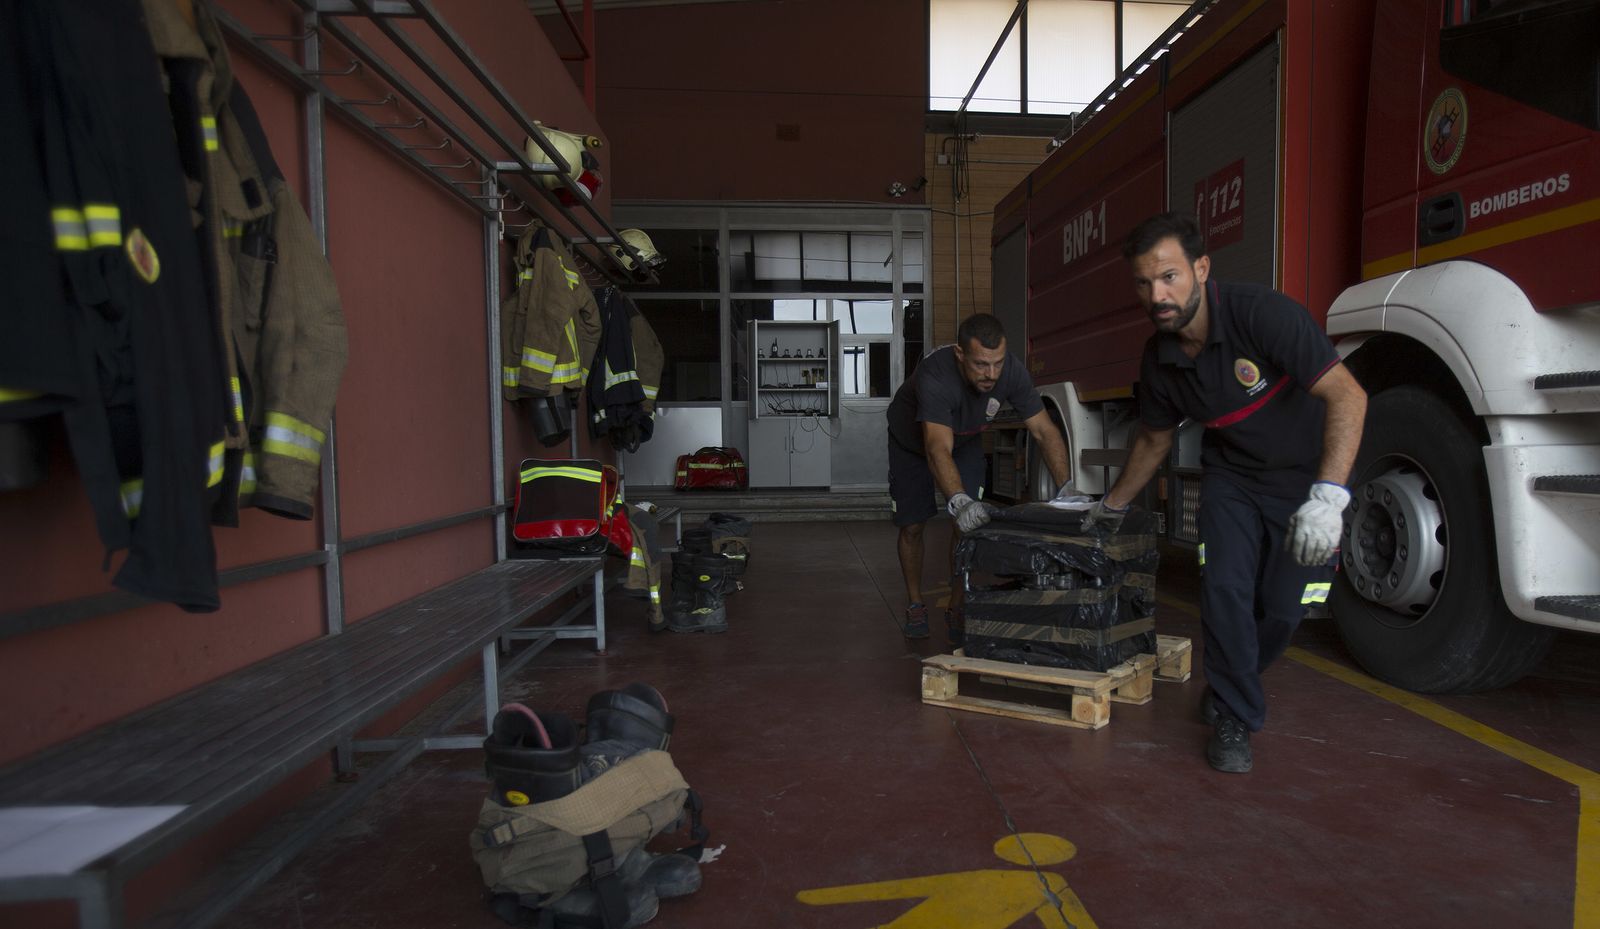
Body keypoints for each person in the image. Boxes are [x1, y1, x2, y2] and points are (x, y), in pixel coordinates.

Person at [1084, 212, 1367, 773]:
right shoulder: (1159, 357)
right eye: (1144, 283)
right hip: (1231, 478)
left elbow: (1348, 396)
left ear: (1201, 269)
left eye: (1169, 277)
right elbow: (1155, 440)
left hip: (1304, 480)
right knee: (1225, 589)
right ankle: (1236, 715)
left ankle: (1234, 680)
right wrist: (1111, 506)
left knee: (1283, 609)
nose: (1157, 296)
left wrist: (1330, 496)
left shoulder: (1263, 315)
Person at [886, 313, 1072, 643]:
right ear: (960, 354)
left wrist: (1067, 489)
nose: (991, 374)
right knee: (913, 526)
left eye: (997, 363)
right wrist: (958, 500)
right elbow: (936, 448)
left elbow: (1045, 430)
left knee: (967, 527)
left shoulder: (1011, 371)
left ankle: (957, 606)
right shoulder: (936, 375)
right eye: (981, 365)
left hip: (965, 440)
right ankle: (915, 604)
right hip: (913, 444)